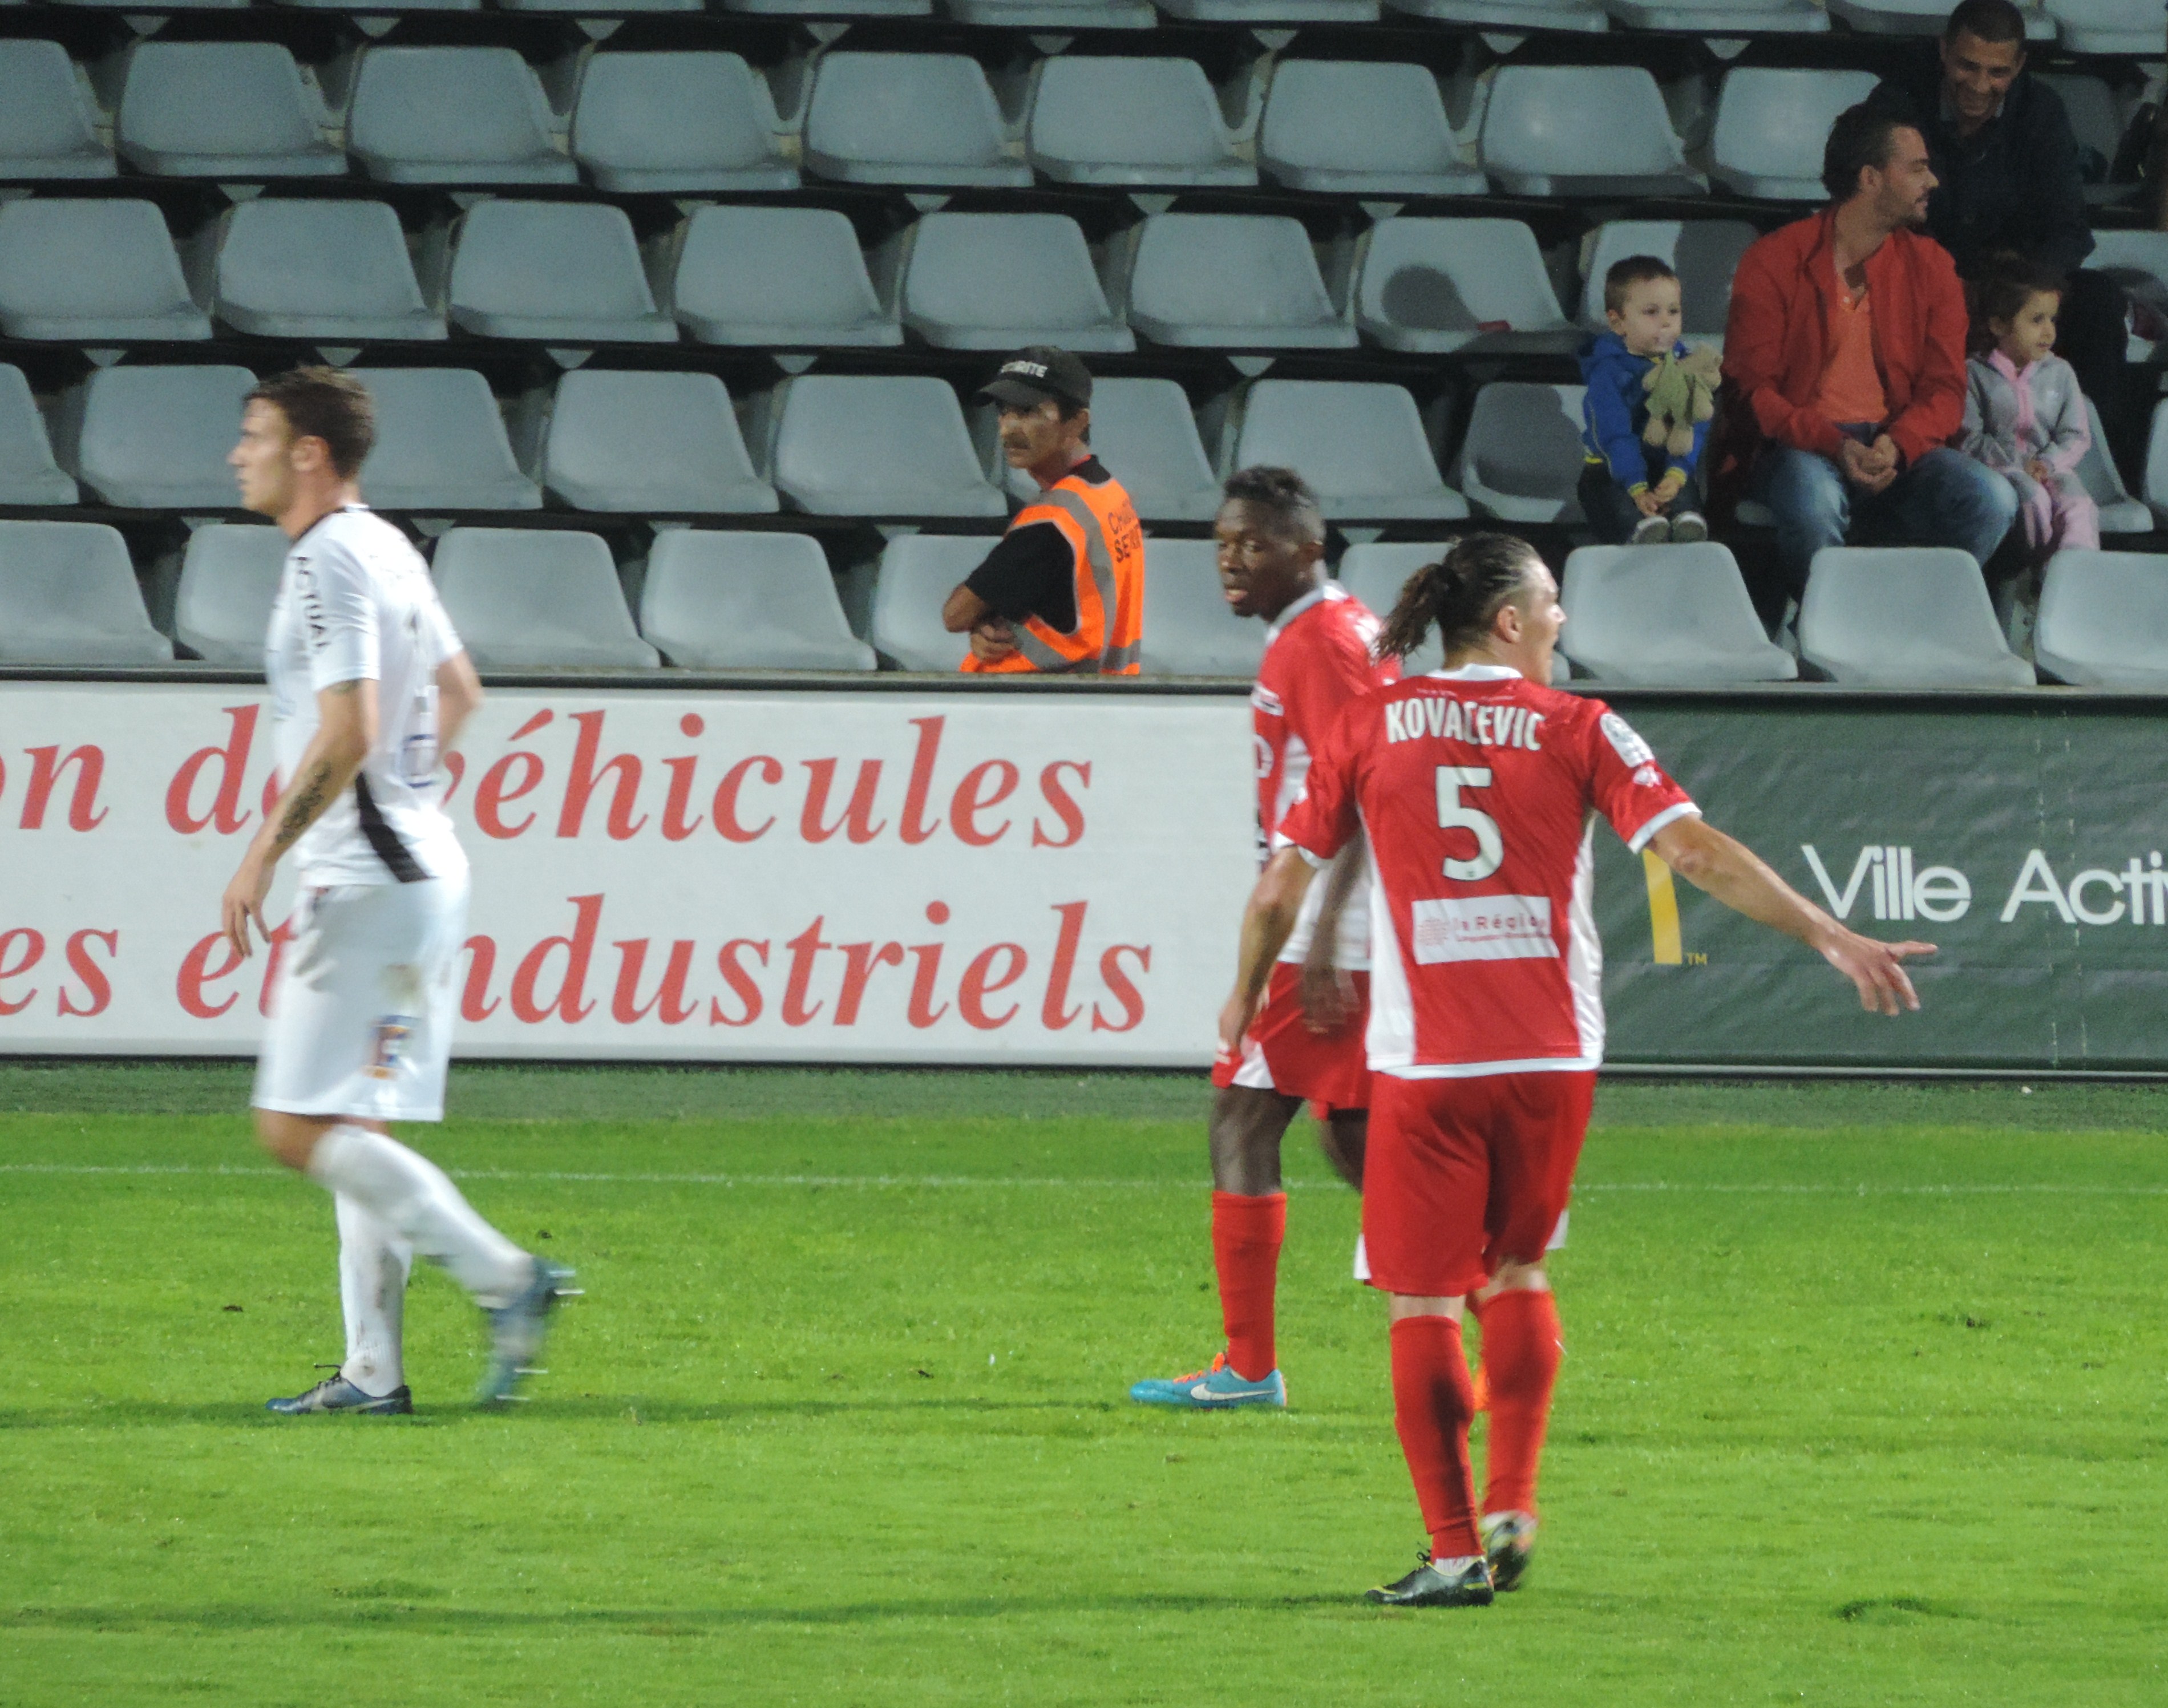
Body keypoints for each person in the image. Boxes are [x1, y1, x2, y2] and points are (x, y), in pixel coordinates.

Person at [1223, 534, 1934, 1608]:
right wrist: (1831, 936)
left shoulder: (1369, 721)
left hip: (1431, 1057)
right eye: (1551, 602)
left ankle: (1457, 1550)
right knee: (1517, 1266)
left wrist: (1245, 991)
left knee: (1421, 1298)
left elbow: (1282, 885)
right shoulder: (1580, 725)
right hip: (1555, 1052)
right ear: (1508, 623)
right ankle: (1515, 1497)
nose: (1563, 620)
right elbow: (1692, 851)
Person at [220, 366, 573, 1416]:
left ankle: (508, 1278)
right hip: (417, 859)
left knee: (290, 1126)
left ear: (309, 452)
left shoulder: (328, 556)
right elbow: (460, 691)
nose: (239, 454)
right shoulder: (388, 543)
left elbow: (351, 725)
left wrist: (264, 851)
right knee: (352, 1122)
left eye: (256, 435)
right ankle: (373, 1368)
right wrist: (406, 797)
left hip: (366, 874)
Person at [1129, 468, 1396, 1411]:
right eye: (1223, 544)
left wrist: (1320, 932)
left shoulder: (1321, 646)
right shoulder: (1329, 632)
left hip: (1334, 927)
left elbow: (1367, 793)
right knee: (1356, 1143)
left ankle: (1248, 1368)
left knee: (1245, 1116)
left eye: (1255, 543)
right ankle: (1505, 1316)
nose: (1233, 561)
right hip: (1350, 924)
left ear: (1309, 548)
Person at [1718, 102, 2017, 618]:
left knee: (1992, 499)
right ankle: (1834, 628)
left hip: (1895, 447)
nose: (1934, 181)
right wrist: (1834, 445)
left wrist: (1897, 446)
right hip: (1800, 445)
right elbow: (1751, 391)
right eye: (1918, 168)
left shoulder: (1933, 267)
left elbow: (1946, 390)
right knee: (1812, 501)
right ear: (1871, 178)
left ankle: (1913, 622)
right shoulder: (1773, 259)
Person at [1868, 0, 2134, 471]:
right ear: (1944, 50)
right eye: (1967, 66)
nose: (1979, 85)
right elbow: (1873, 211)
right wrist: (1948, 288)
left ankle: (2099, 464)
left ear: (2019, 66)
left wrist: (2016, 295)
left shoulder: (2042, 111)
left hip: (2013, 287)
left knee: (2099, 302)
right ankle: (1899, 453)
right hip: (1923, 283)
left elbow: (2070, 228)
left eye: (1997, 72)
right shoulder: (1898, 102)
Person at [940, 347, 1144, 675]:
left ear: (1077, 422)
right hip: (1093, 695)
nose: (1008, 428)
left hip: (1035, 701)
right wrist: (990, 623)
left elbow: (955, 615)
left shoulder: (1052, 522)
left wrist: (979, 620)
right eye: (1004, 411)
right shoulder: (1109, 493)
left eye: (1029, 411)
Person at [1960, 255, 2099, 566]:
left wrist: (2046, 464)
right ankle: (2034, 571)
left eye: (2052, 319)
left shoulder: (2060, 372)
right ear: (1999, 324)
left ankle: (2076, 581)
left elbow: (2075, 434)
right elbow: (1969, 439)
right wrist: (2021, 464)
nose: (2049, 332)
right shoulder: (1974, 374)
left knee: (2078, 505)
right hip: (2002, 471)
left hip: (2052, 469)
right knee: (2032, 500)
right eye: (2037, 320)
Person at [1578, 256, 1713, 547]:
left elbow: (1694, 422)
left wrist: (1678, 472)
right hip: (1613, 472)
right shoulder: (1607, 374)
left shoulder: (1684, 365)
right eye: (1651, 312)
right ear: (1618, 323)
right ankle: (1641, 539)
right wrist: (1637, 488)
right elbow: (1614, 435)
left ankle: (1687, 537)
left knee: (1687, 510)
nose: (1666, 321)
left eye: (1673, 311)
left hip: (1665, 466)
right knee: (1633, 523)